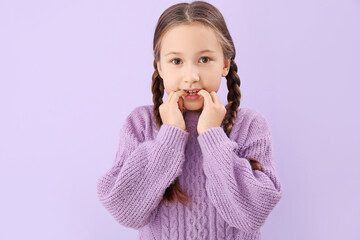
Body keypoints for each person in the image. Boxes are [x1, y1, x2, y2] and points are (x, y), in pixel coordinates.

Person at [96, 1, 283, 239]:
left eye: (204, 59)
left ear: (225, 64)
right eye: (176, 61)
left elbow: (252, 215)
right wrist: (169, 136)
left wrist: (212, 136)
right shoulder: (140, 124)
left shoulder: (249, 125)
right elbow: (124, 210)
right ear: (160, 67)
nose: (191, 77)